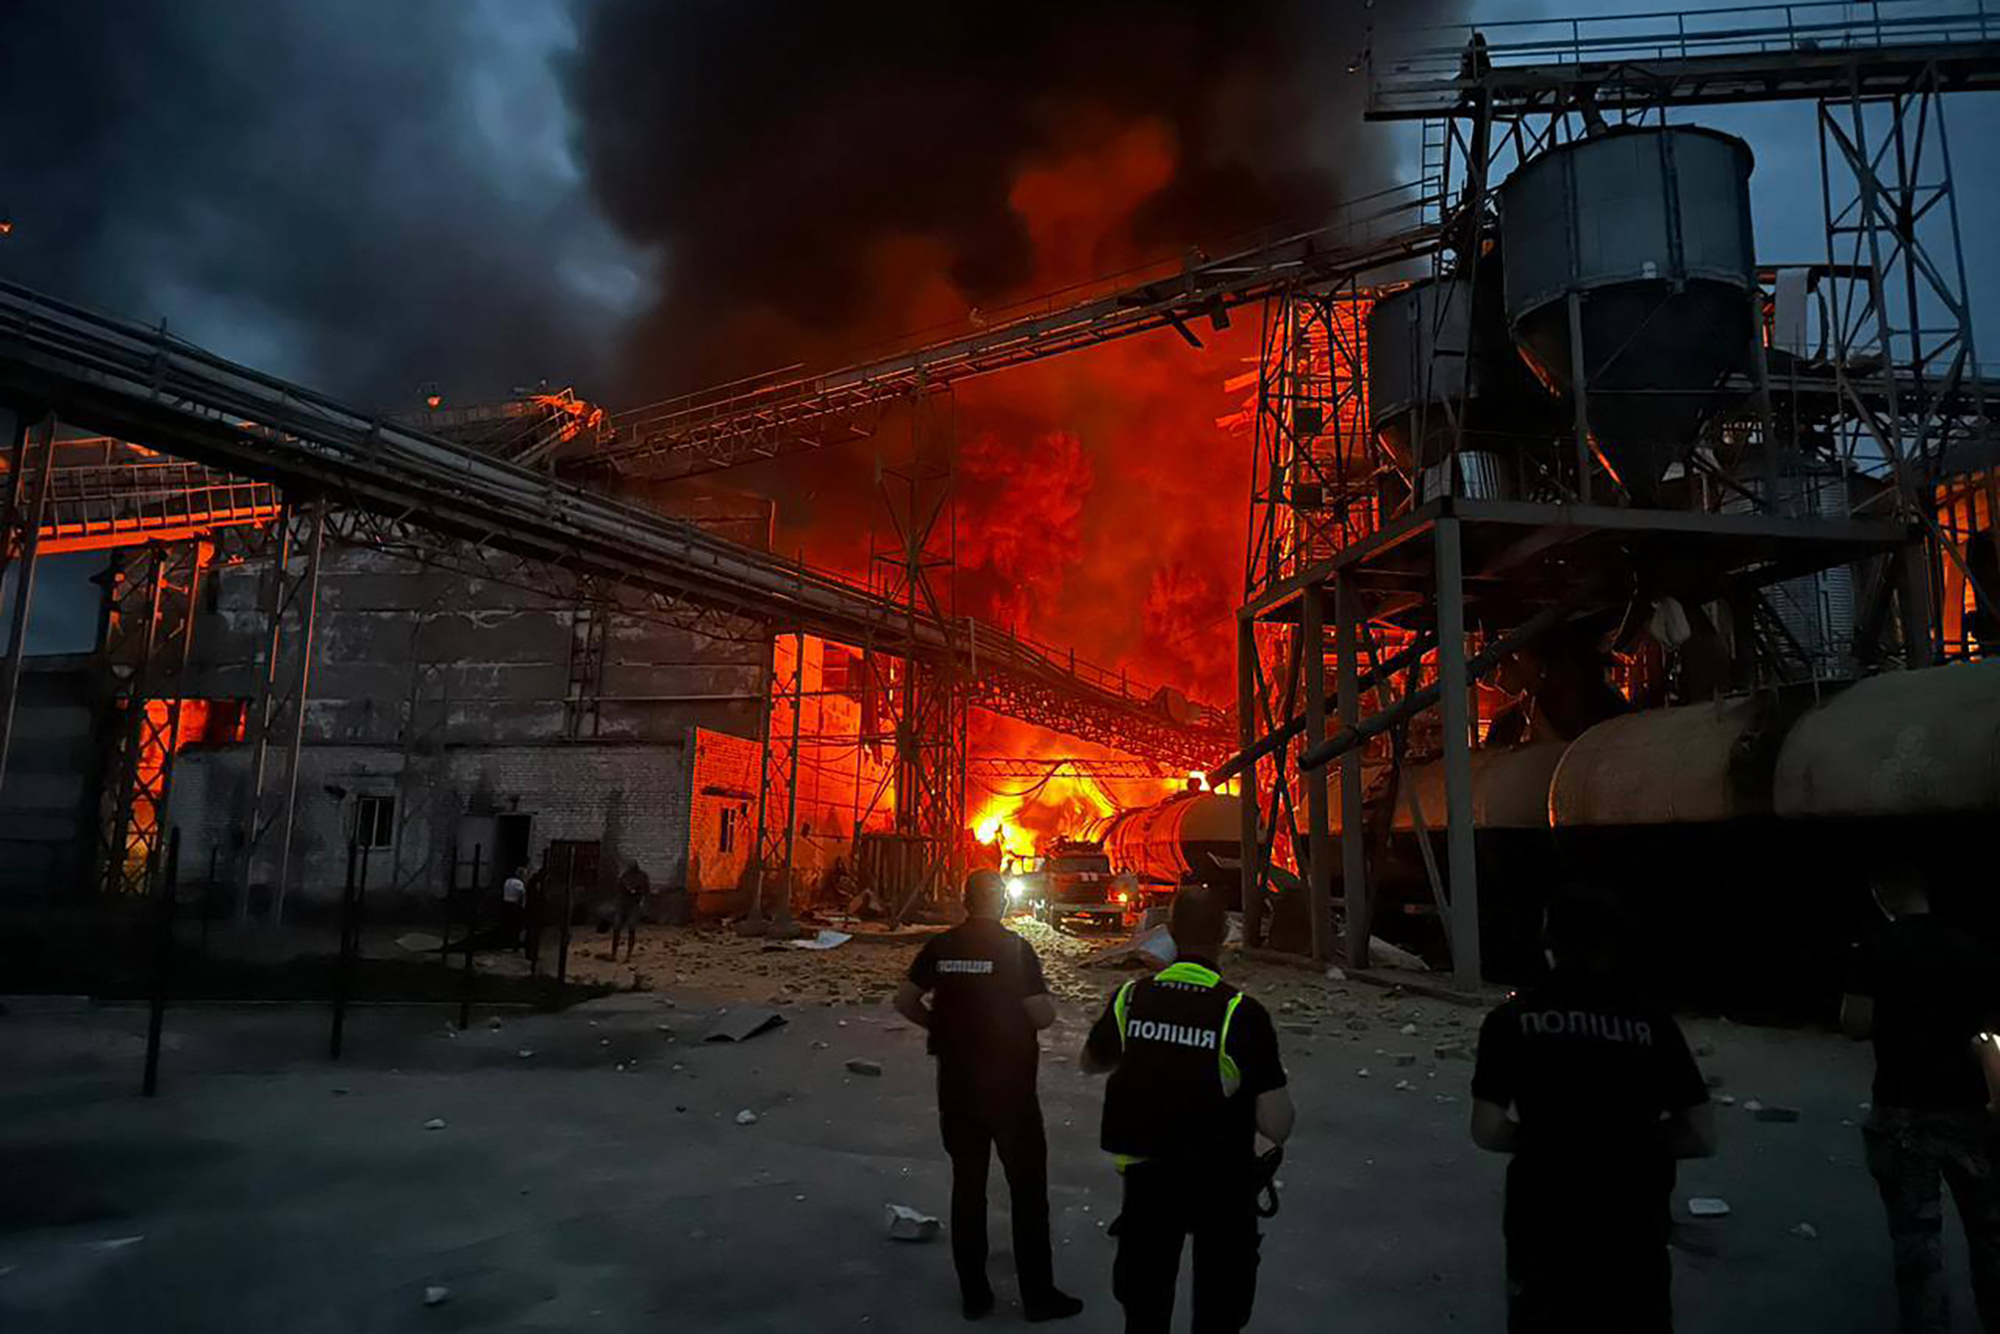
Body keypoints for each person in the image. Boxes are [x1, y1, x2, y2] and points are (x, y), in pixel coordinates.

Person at [1470, 880, 1716, 1334]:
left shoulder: (1510, 1021)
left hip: (1542, 1216)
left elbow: (1486, 1129)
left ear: (1549, 943)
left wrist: (1550, 1140)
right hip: (1633, 1215)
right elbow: (1702, 1134)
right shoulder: (1654, 1023)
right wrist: (1627, 1141)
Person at [1081, 883, 1294, 1334]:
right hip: (1221, 1185)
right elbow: (1277, 1125)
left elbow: (1092, 1061)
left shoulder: (1131, 998)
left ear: (1170, 932)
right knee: (1220, 1311)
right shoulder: (1241, 1013)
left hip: (1147, 1182)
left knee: (1144, 1309)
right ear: (1224, 934)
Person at [895, 869, 1082, 1323]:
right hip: (1010, 1089)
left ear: (965, 901)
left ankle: (975, 1296)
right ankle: (1037, 1297)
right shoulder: (1015, 949)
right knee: (1028, 1192)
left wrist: (940, 1027)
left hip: (958, 1088)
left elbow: (904, 1000)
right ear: (1001, 903)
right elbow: (1040, 1015)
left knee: (968, 1187)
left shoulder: (941, 947)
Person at [1841, 861, 2000, 1333]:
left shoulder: (1874, 947)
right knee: (1990, 1233)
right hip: (1968, 1107)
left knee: (1918, 1244)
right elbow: (1993, 1033)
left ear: (1880, 892)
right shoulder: (1972, 948)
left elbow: (1855, 1024)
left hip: (1902, 1108)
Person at [499, 866, 528, 949]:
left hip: (505, 903)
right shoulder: (519, 883)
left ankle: (504, 941)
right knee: (515, 925)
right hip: (515, 905)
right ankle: (514, 942)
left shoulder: (508, 881)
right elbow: (522, 894)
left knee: (506, 924)